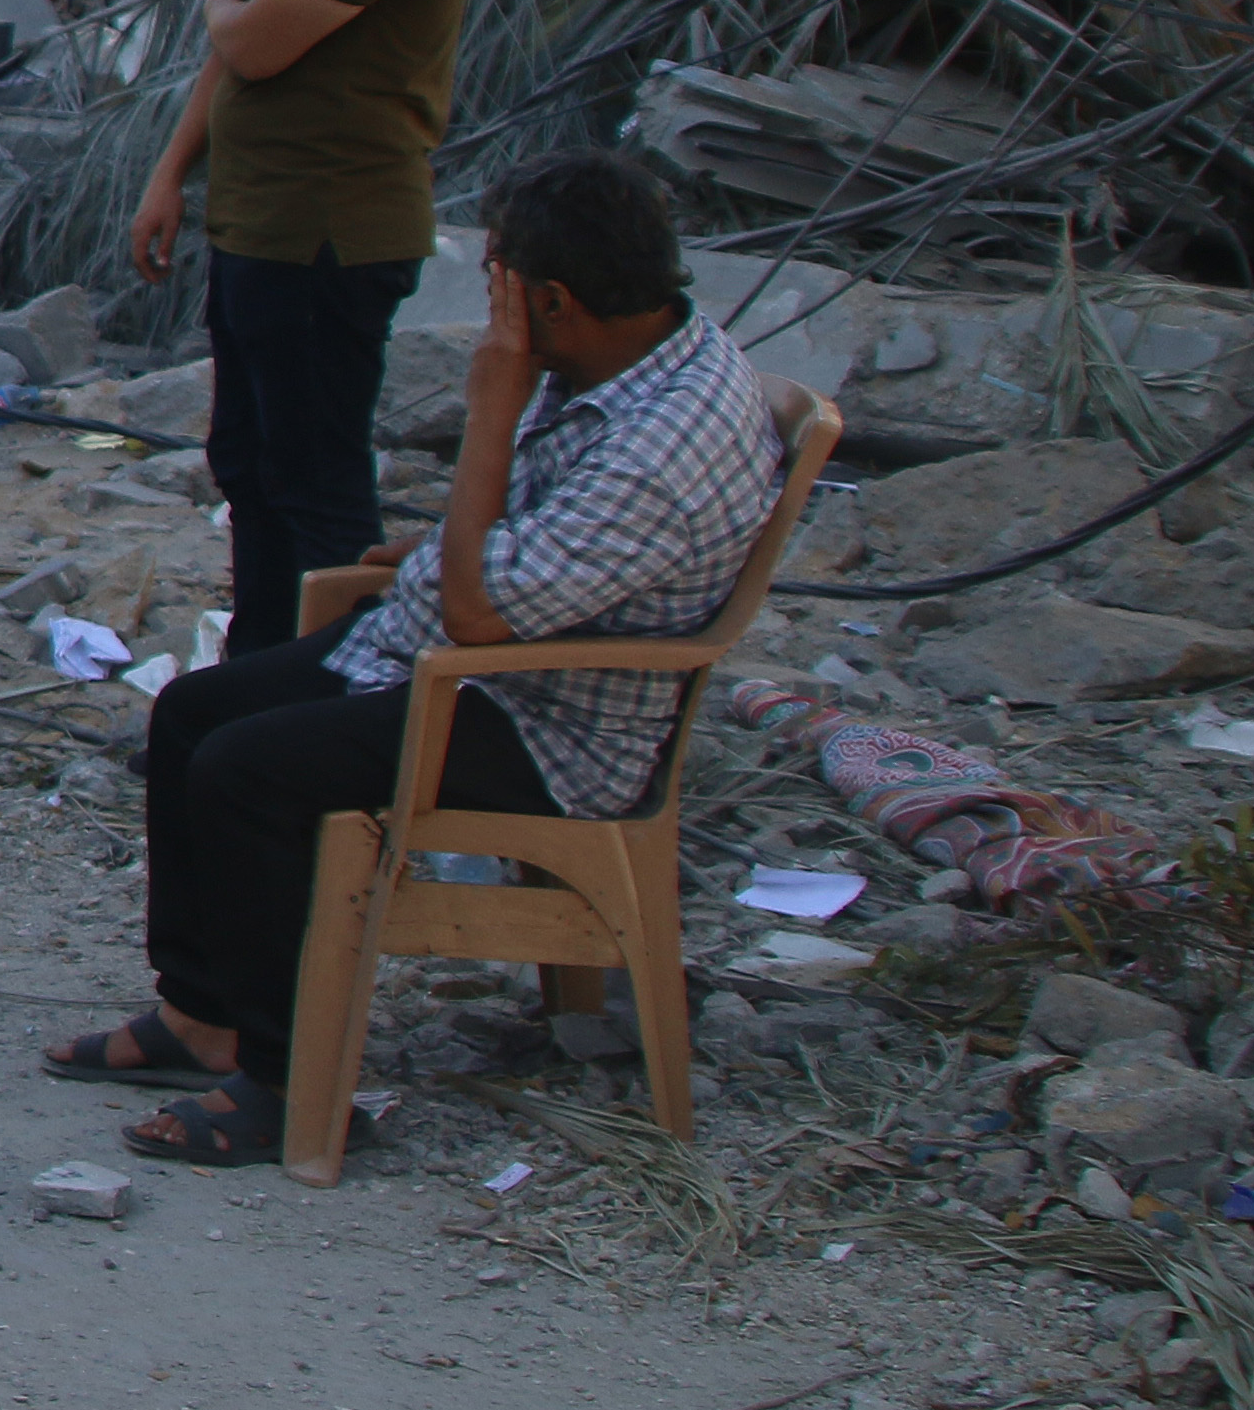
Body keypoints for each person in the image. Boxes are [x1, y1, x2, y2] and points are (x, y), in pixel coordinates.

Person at [51, 150, 789, 1166]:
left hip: (541, 720)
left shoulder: (657, 449)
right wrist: (441, 548)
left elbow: (479, 617)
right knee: (191, 714)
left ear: (553, 301)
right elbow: (524, 557)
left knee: (244, 771)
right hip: (475, 652)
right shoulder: (630, 353)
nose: (494, 314)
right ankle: (202, 1016)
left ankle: (289, 1083)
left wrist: (490, 405)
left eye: (500, 287)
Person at [127, 0, 489, 651]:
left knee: (315, 489)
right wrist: (169, 172)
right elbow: (244, 42)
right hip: (264, 225)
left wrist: (216, 5)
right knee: (250, 469)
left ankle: (340, 692)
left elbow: (252, 38)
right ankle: (256, 679)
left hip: (327, 235)